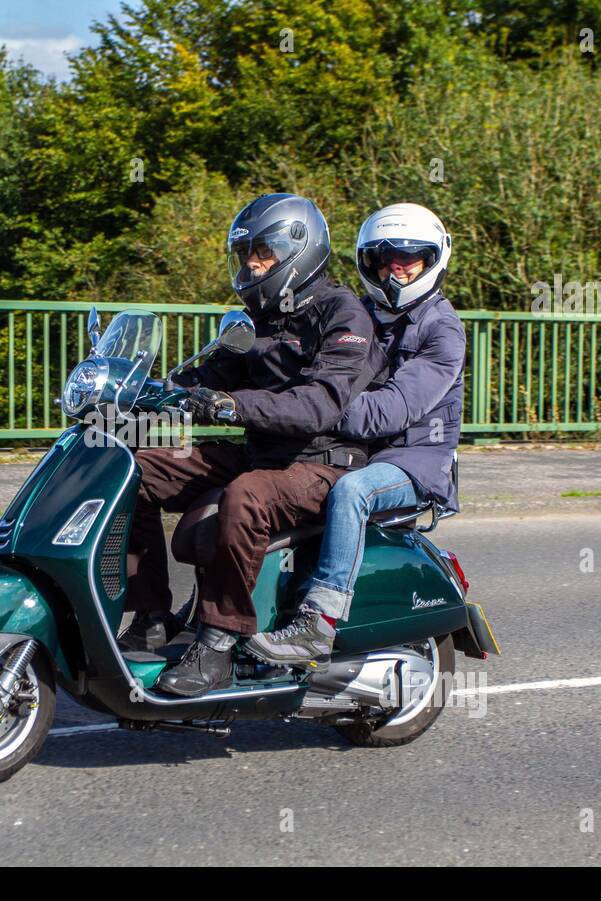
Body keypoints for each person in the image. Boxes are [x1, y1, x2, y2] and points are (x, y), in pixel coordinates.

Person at [121, 193, 383, 697]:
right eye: (244, 254)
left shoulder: (344, 315)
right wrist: (145, 392)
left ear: (297, 249)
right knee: (133, 470)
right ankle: (151, 612)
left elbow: (318, 405)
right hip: (264, 452)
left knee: (246, 495)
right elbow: (209, 376)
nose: (251, 264)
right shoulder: (260, 317)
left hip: (323, 460)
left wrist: (231, 406)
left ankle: (219, 642)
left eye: (261, 252)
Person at [243, 202, 466, 667]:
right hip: (353, 449)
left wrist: (308, 404)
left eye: (409, 258)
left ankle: (317, 624)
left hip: (412, 461)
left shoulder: (442, 330)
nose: (395, 270)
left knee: (351, 492)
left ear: (433, 260)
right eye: (383, 259)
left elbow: (390, 412)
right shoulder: (356, 312)